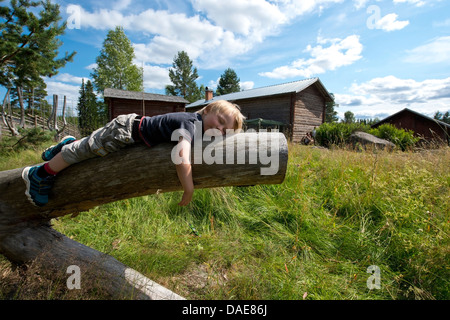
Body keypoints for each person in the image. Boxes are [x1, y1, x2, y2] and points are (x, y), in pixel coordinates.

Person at [22, 100, 245, 208]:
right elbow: (181, 157)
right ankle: (40, 174)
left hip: (130, 127)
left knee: (87, 145)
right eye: (220, 121)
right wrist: (188, 188)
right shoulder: (191, 123)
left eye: (226, 131)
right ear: (206, 111)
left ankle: (64, 145)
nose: (220, 129)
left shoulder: (197, 124)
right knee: (86, 152)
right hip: (125, 131)